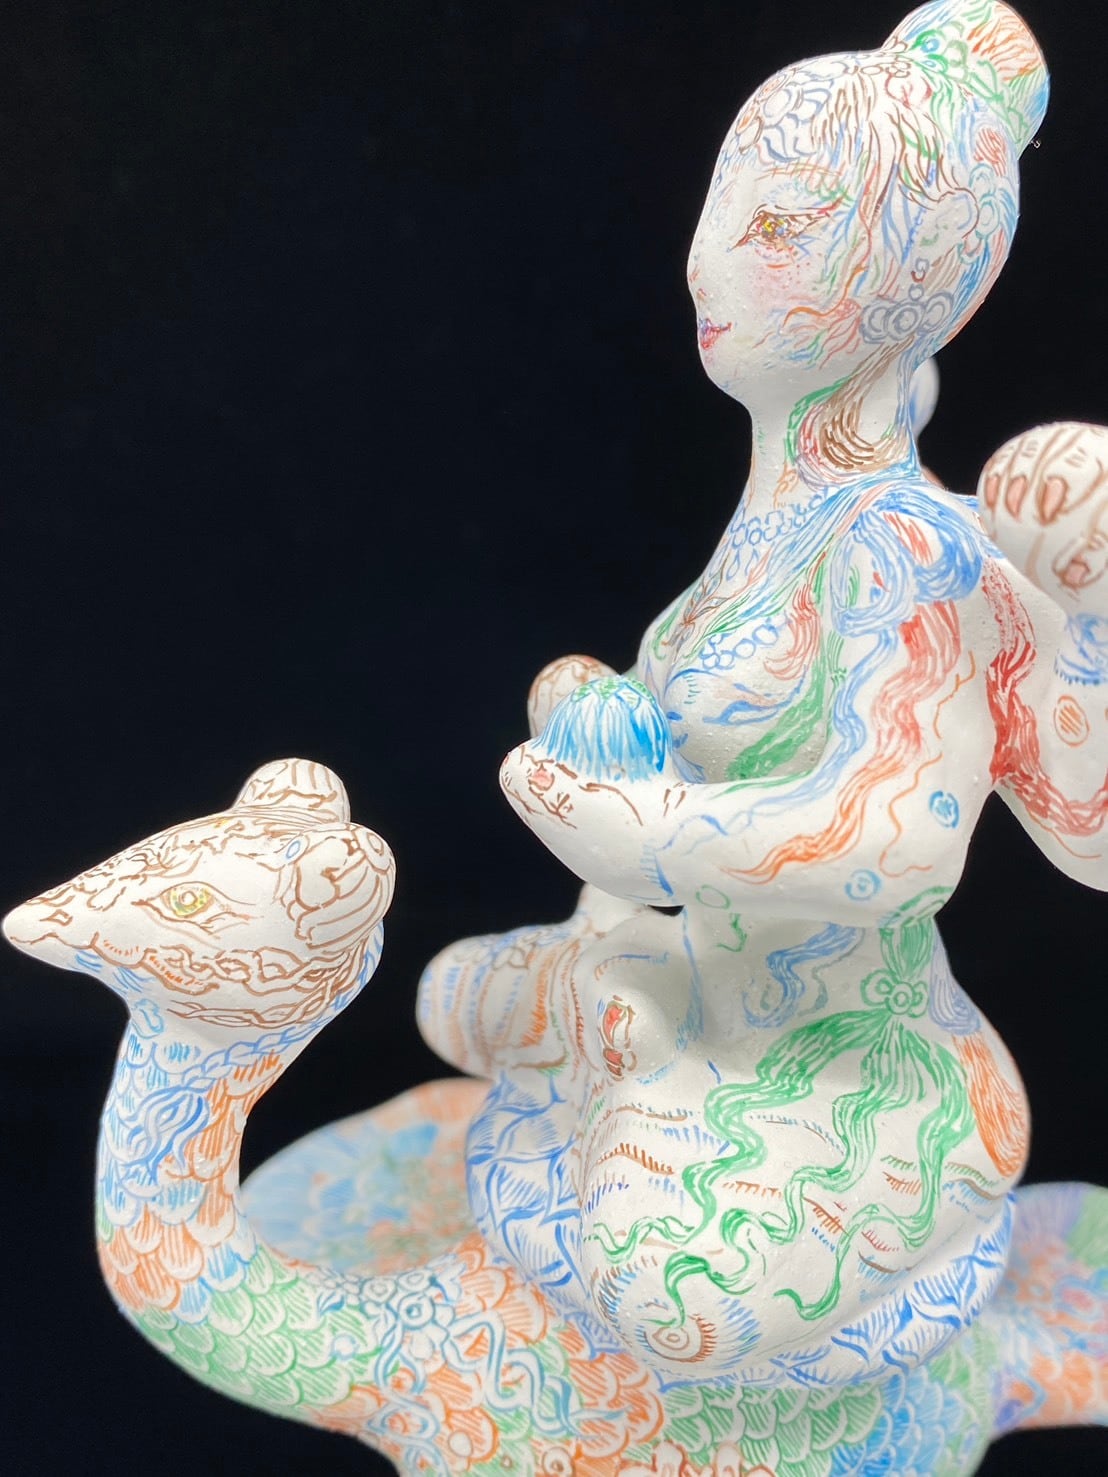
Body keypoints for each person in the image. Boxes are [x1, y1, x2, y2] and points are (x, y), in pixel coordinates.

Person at [420, 0, 1104, 1388]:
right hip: (701, 984)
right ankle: (627, 1037)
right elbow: (680, 711)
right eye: (725, 210)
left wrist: (646, 836)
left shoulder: (903, 546)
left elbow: (900, 842)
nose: (706, 257)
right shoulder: (772, 528)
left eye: (776, 228)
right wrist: (598, 710)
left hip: (852, 1063)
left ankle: (650, 1070)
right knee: (448, 998)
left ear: (906, 281)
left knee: (662, 1291)